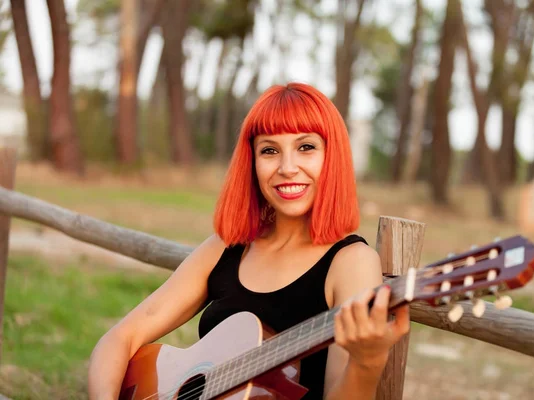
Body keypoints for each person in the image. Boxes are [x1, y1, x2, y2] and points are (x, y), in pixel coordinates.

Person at [87, 82, 409, 400]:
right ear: (252, 163)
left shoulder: (351, 262)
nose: (287, 168)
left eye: (306, 147)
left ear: (331, 157)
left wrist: (367, 363)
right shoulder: (227, 247)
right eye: (269, 150)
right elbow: (121, 338)